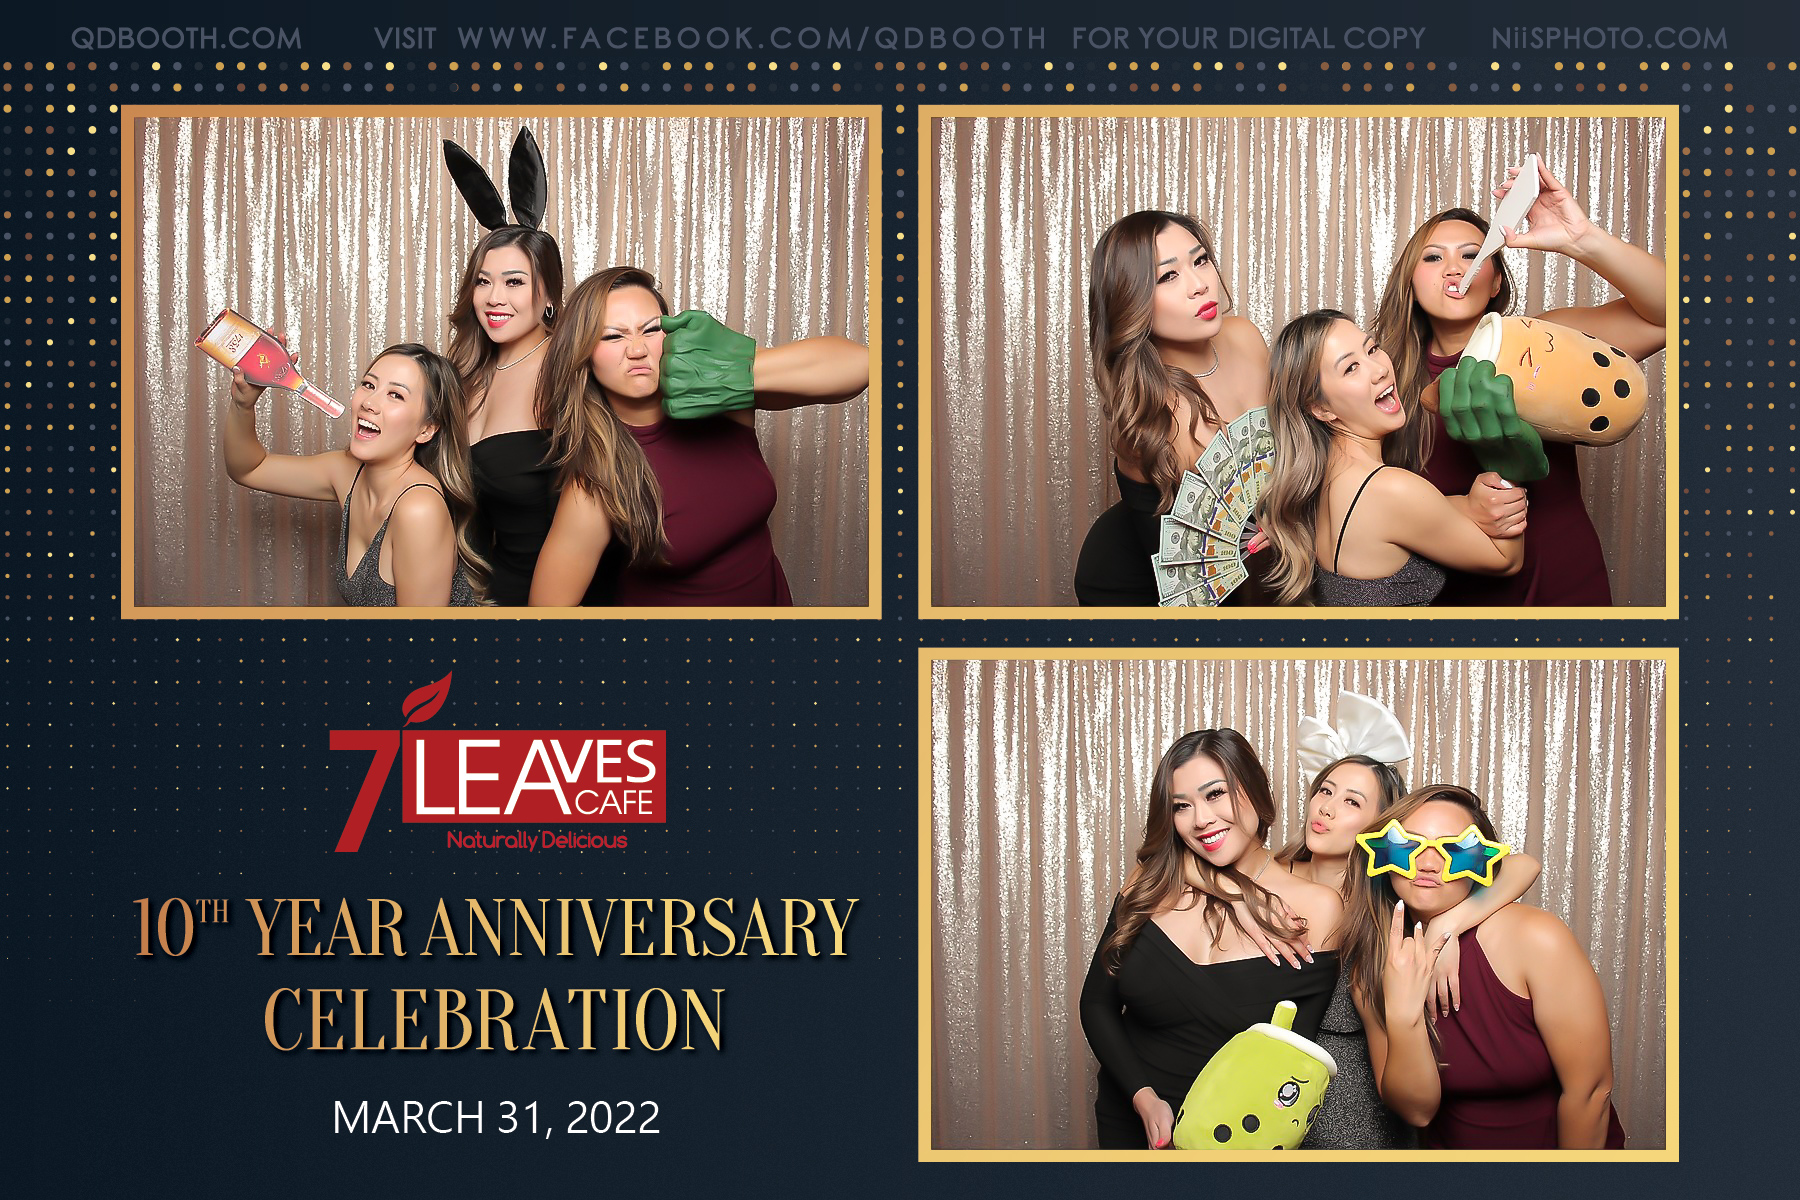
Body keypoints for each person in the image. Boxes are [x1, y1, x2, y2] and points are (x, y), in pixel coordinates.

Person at [1374, 161, 1666, 606]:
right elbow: (1355, 491)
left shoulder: (1545, 343)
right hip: (1457, 595)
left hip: (1565, 584)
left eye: (1471, 255)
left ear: (1495, 282)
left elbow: (1671, 314)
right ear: (1410, 284)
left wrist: (1581, 239)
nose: (1453, 269)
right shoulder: (1380, 376)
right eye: (1432, 257)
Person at [529, 266, 868, 606]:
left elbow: (860, 366)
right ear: (585, 355)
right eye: (614, 336)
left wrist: (732, 370)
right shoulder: (593, 482)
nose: (637, 350)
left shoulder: (723, 402)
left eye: (652, 329)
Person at [1079, 729, 1342, 1149]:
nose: (1200, 819)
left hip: (1233, 1140)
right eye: (1181, 806)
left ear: (1256, 791)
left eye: (1215, 794)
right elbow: (1097, 1003)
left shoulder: (1317, 909)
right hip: (1128, 1119)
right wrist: (1143, 1099)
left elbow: (1293, 1063)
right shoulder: (1151, 884)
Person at [1350, 786, 1626, 1148]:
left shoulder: (1535, 938)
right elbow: (1417, 1112)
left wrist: (1445, 927)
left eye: (1454, 850)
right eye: (1408, 845)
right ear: (1384, 852)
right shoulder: (1372, 967)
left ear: (1481, 862)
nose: (1428, 864)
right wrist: (1404, 1016)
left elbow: (1591, 1091)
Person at [1261, 311, 1527, 606]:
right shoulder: (1389, 488)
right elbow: (1506, 560)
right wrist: (1502, 451)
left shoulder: (1330, 483)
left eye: (1372, 349)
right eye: (1351, 368)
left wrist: (1471, 504)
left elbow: (1423, 511)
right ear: (1321, 409)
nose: (1380, 369)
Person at [1075, 211, 1271, 605]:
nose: (1200, 285)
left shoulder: (1246, 337)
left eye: (1201, 260)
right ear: (1130, 301)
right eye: (1168, 276)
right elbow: (1194, 579)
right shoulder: (1147, 418)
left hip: (1264, 572)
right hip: (1135, 586)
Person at [220, 339, 479, 606]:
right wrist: (243, 403)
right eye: (369, 385)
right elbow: (249, 469)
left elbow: (421, 633)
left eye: (396, 395)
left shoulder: (419, 509)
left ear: (426, 429)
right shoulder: (346, 472)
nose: (369, 402)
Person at [450, 223, 570, 604]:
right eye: (483, 282)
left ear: (549, 295)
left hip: (560, 604)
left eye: (514, 282)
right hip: (487, 597)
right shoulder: (464, 374)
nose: (494, 298)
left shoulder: (567, 374)